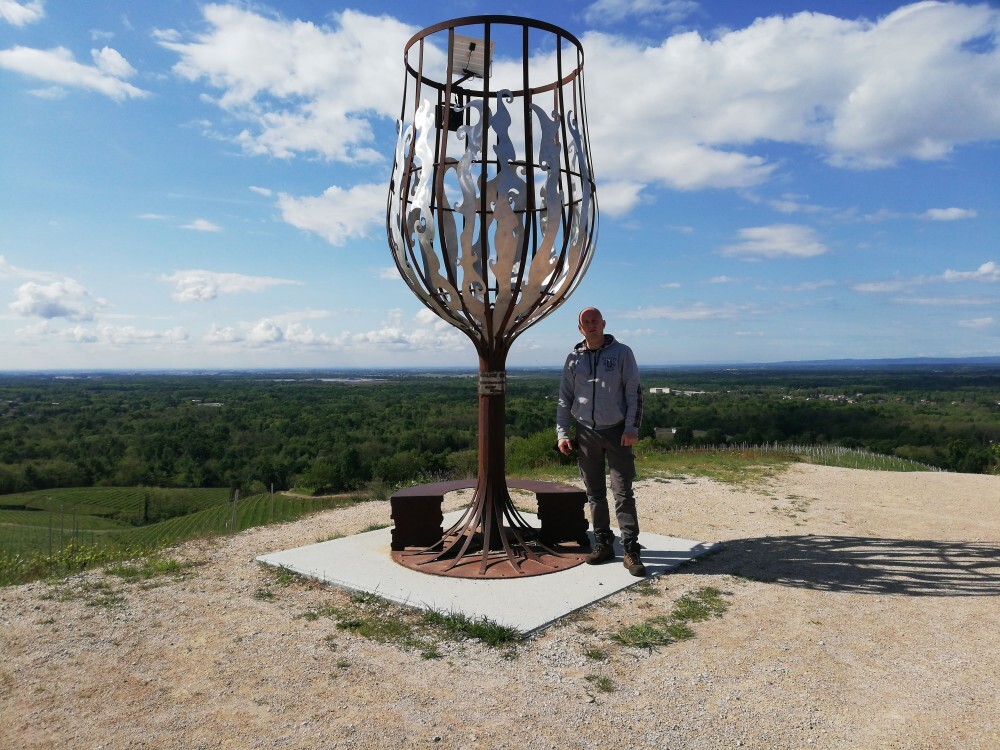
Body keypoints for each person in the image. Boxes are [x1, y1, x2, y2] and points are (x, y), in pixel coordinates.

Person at [556, 307, 646, 577]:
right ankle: (603, 543)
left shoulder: (622, 353)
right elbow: (564, 398)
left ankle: (630, 550)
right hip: (586, 433)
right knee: (594, 493)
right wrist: (562, 433)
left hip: (618, 431)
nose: (592, 325)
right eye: (586, 322)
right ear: (580, 328)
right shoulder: (574, 358)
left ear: (604, 324)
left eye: (595, 321)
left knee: (622, 492)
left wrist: (631, 428)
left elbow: (634, 393)